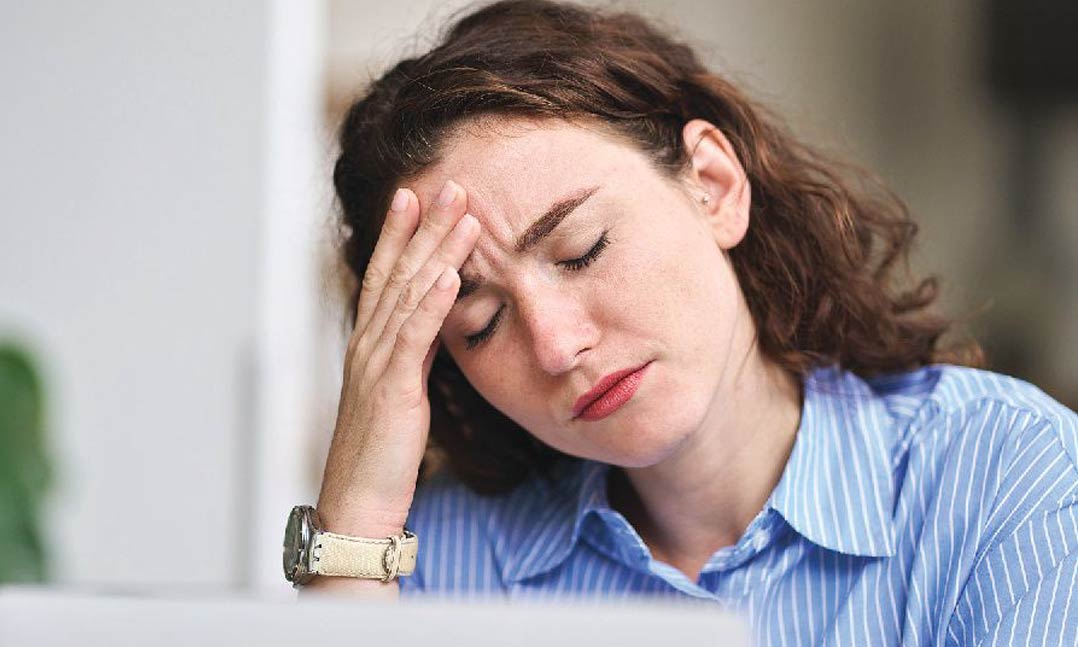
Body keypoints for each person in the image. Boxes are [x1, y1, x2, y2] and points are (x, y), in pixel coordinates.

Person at [306, 0, 1078, 644]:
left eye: (582, 250)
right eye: (479, 322)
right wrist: (355, 516)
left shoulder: (1008, 476)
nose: (556, 343)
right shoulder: (433, 562)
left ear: (712, 184)